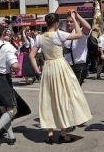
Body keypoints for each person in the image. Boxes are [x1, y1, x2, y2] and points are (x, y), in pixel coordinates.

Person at [29, 12, 92, 144]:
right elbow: (79, 34)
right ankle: (63, 134)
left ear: (47, 23)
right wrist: (74, 19)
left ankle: (50, 133)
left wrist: (37, 71)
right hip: (60, 66)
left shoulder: (39, 37)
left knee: (49, 99)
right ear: (57, 23)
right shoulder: (59, 34)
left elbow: (31, 56)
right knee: (63, 98)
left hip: (47, 68)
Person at [64, 10, 91, 85]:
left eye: (71, 21)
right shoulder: (66, 34)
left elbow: (88, 27)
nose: (68, 23)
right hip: (67, 66)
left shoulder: (81, 32)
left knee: (75, 89)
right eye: (67, 22)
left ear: (77, 22)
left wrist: (76, 15)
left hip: (79, 66)